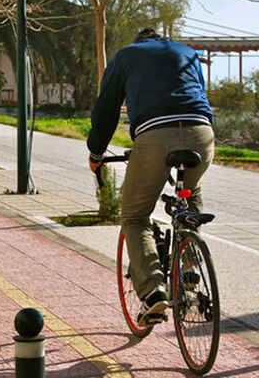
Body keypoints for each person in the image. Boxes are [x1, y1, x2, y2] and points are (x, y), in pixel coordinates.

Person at [87, 28, 215, 326]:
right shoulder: (187, 51)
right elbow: (199, 93)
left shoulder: (125, 56)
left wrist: (96, 153)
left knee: (135, 216)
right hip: (202, 134)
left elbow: (105, 110)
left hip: (155, 136)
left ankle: (153, 292)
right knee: (189, 194)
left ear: (139, 42)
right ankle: (190, 267)